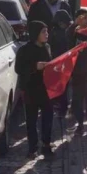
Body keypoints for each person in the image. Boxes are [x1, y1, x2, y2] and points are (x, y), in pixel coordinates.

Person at [15, 21, 54, 158]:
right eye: (43, 32)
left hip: (45, 89)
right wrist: (34, 67)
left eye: (47, 31)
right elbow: (18, 69)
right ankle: (32, 148)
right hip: (30, 89)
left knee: (48, 118)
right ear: (36, 33)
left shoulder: (47, 47)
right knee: (31, 121)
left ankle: (46, 145)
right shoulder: (24, 50)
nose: (46, 34)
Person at [67, 9, 87, 137]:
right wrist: (74, 26)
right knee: (77, 100)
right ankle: (80, 124)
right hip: (77, 73)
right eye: (84, 17)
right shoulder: (74, 34)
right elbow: (67, 43)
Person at [49, 10, 73, 116]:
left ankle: (63, 106)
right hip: (57, 61)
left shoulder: (69, 31)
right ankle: (58, 105)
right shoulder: (53, 32)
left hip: (66, 61)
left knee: (64, 85)